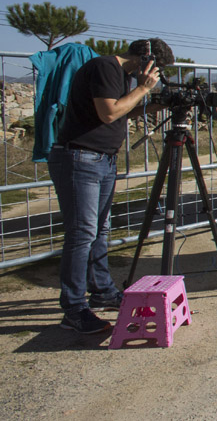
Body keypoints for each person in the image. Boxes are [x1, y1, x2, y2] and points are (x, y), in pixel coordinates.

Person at [48, 38, 174, 334]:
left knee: (99, 230)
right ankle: (74, 308)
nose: (155, 74)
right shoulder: (106, 67)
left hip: (100, 160)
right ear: (146, 57)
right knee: (82, 234)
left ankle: (102, 291)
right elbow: (108, 113)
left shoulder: (121, 76)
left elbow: (119, 111)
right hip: (80, 158)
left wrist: (151, 105)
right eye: (157, 67)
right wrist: (143, 89)